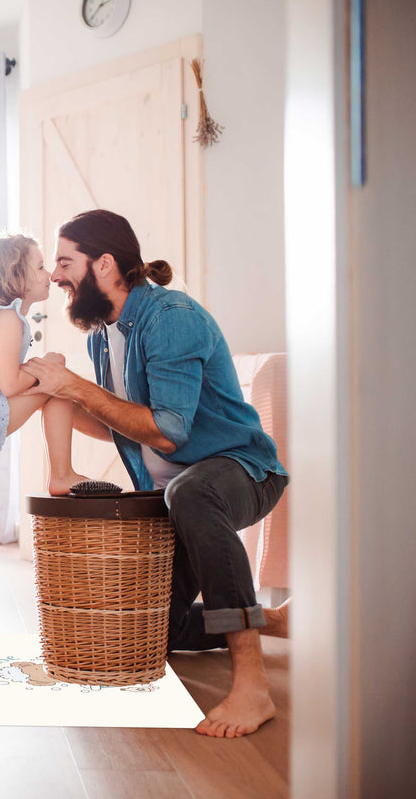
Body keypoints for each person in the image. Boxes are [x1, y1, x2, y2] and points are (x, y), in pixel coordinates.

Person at [20, 209, 290, 739]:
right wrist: (47, 395)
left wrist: (76, 387)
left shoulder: (170, 317)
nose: (54, 275)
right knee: (149, 632)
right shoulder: (104, 336)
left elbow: (168, 434)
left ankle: (253, 684)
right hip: (174, 492)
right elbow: (123, 424)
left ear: (104, 264)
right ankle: (272, 619)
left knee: (191, 492)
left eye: (64, 261)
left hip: (243, 472)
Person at [0, 234, 107, 497]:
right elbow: (11, 384)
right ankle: (61, 475)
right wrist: (45, 367)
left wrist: (41, 370)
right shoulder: (8, 320)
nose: (49, 273)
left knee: (53, 379)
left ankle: (63, 473)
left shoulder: (3, 318)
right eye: (39, 267)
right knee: (55, 381)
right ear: (15, 278)